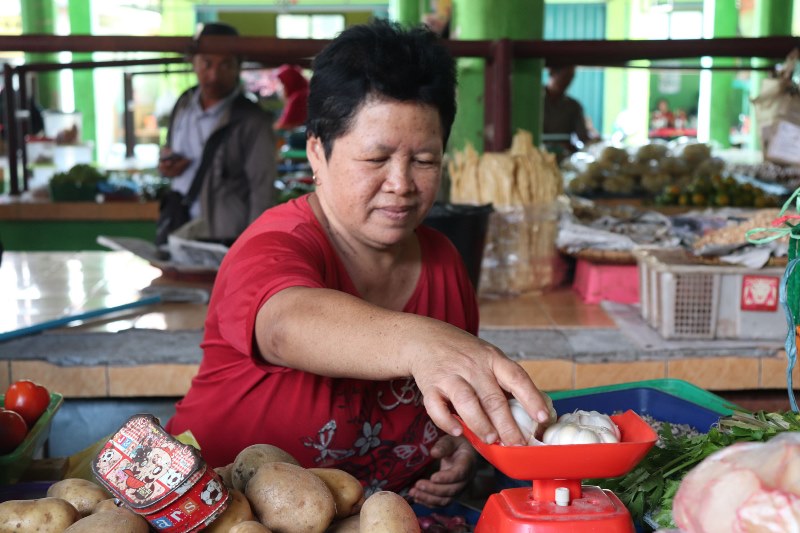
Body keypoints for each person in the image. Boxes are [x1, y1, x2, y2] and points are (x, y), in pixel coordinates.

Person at [165, 19, 551, 507]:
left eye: (425, 160)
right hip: (209, 512)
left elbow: (445, 399)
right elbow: (284, 324)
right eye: (375, 159)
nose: (402, 183)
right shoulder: (270, 246)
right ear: (317, 154)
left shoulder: (444, 263)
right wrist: (422, 342)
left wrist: (458, 444)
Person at [156, 22, 277, 247]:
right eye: (207, 63)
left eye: (225, 65)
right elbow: (169, 150)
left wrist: (254, 243)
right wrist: (166, 165)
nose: (214, 74)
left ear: (238, 67)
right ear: (194, 63)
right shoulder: (183, 105)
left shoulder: (252, 120)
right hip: (180, 225)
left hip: (226, 235)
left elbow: (262, 188)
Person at [542, 65, 594, 158]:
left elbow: (583, 136)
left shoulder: (574, 106)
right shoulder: (533, 101)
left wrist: (597, 144)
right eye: (564, 76)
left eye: (571, 77)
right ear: (551, 73)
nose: (567, 81)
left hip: (563, 157)